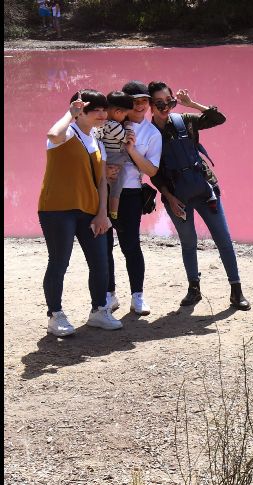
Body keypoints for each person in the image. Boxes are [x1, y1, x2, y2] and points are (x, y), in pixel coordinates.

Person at [148, 81, 250, 311]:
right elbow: (153, 173)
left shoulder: (185, 120)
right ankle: (194, 290)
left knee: (223, 239)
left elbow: (218, 119)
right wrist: (169, 198)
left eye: (170, 102)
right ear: (150, 106)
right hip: (177, 196)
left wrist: (192, 104)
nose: (166, 107)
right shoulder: (148, 134)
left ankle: (236, 291)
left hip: (205, 189)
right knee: (188, 242)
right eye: (159, 103)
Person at [38, 89, 123, 336]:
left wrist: (102, 214)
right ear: (80, 112)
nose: (102, 114)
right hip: (57, 209)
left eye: (103, 109)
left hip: (89, 210)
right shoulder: (64, 134)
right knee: (59, 262)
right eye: (95, 110)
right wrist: (70, 113)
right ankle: (55, 315)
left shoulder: (96, 141)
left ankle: (99, 311)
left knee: (100, 262)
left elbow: (101, 183)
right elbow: (52, 134)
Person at [104, 81, 161, 315]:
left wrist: (131, 150)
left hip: (131, 194)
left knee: (131, 246)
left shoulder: (152, 133)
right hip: (102, 191)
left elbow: (152, 170)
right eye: (134, 101)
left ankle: (137, 296)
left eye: (144, 101)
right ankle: (109, 295)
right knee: (103, 246)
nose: (140, 105)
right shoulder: (107, 124)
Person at [96, 91, 135, 222]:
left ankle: (109, 212)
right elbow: (127, 139)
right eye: (125, 114)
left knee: (107, 186)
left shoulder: (103, 123)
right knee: (117, 187)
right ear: (118, 112)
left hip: (108, 157)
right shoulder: (115, 126)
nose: (125, 117)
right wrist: (129, 128)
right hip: (115, 158)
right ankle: (114, 214)